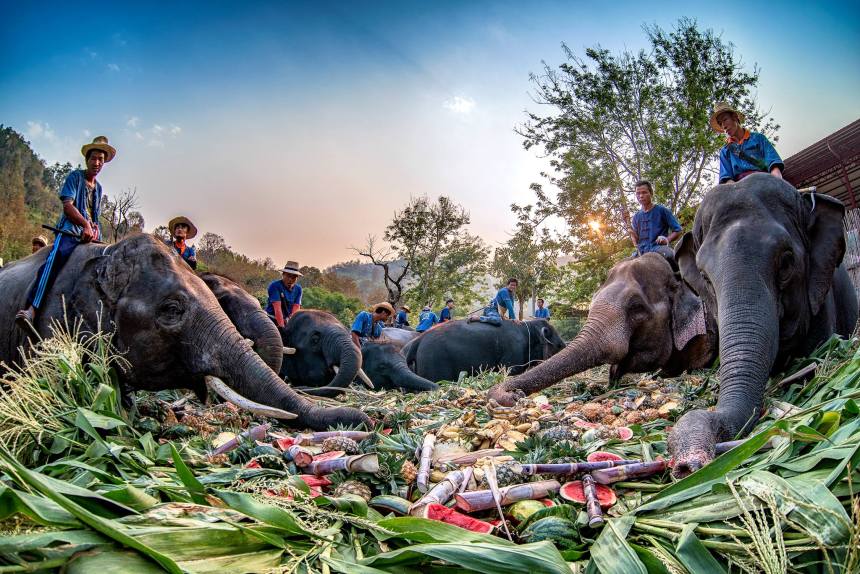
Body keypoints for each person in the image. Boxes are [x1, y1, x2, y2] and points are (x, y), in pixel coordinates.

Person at [16, 136, 116, 330]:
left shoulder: (99, 188)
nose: (96, 163)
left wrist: (94, 229)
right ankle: (32, 308)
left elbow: (94, 216)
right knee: (55, 259)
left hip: (90, 237)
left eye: (100, 160)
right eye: (93, 158)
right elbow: (67, 206)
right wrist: (85, 224)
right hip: (70, 232)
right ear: (87, 159)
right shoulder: (74, 177)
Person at [711, 102, 784, 184]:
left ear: (734, 117)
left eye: (725, 120)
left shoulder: (758, 138)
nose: (723, 126)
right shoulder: (725, 151)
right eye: (720, 123)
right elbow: (727, 179)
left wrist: (777, 183)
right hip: (741, 188)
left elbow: (774, 165)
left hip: (764, 181)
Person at [622, 180, 682, 256]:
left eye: (644, 192)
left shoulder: (662, 210)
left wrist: (667, 239)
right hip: (641, 252)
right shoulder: (636, 217)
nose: (641, 196)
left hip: (659, 248)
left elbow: (678, 230)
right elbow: (636, 241)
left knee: (671, 255)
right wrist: (628, 225)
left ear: (651, 193)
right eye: (638, 193)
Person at [266, 261, 303, 328]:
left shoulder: (298, 289)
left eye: (294, 277)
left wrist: (291, 323)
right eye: (288, 276)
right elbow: (277, 309)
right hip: (271, 319)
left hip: (288, 320)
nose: (290, 279)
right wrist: (282, 327)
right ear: (283, 274)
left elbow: (296, 307)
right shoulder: (275, 286)